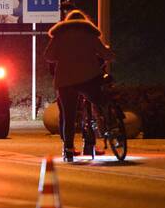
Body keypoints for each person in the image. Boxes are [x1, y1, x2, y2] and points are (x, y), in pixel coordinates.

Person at [44, 10, 115, 162]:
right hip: (88, 78)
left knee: (68, 115)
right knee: (100, 101)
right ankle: (109, 128)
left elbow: (48, 56)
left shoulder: (60, 35)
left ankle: (68, 149)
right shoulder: (90, 34)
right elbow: (107, 55)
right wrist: (107, 53)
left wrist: (63, 55)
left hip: (65, 80)